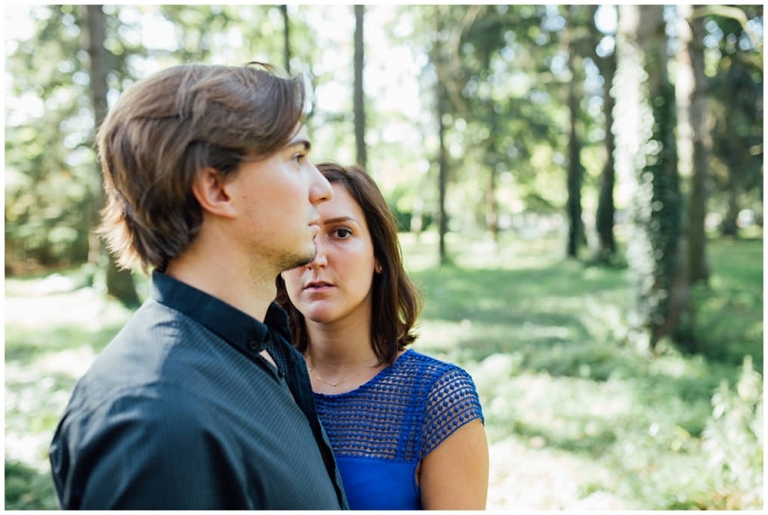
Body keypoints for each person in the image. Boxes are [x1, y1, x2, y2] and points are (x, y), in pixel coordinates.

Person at [49, 63, 348, 510]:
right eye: (296, 158)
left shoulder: (262, 347)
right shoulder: (157, 421)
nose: (321, 188)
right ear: (217, 188)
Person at [275, 162, 489, 510]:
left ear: (379, 255)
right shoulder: (263, 382)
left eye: (340, 233)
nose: (316, 256)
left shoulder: (437, 398)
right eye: (303, 233)